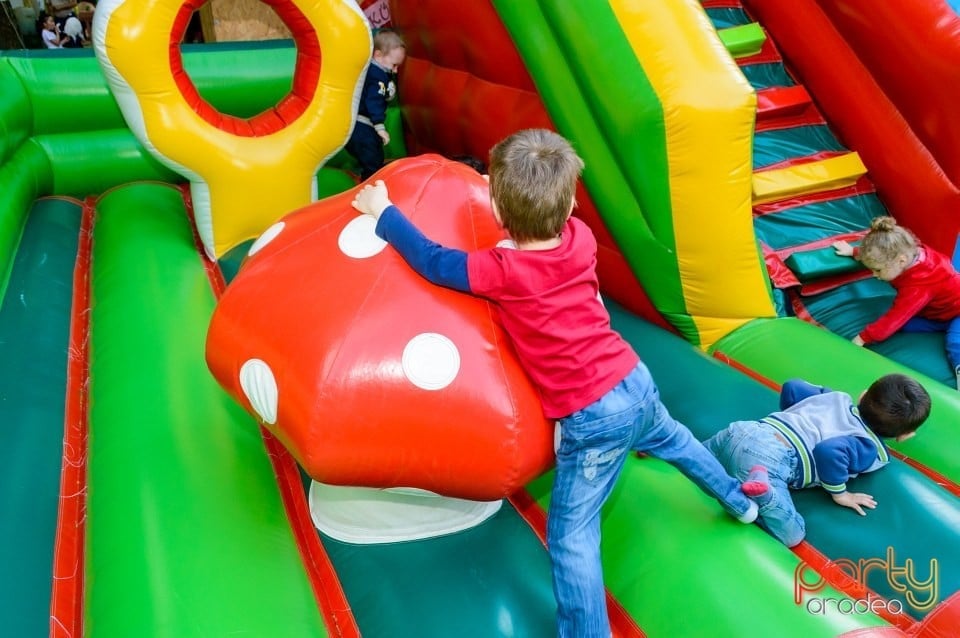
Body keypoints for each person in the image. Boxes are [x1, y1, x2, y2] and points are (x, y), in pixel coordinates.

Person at [352, 129, 761, 638]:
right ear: (569, 203)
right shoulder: (581, 237)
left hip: (593, 415)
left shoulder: (501, 269)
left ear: (498, 211)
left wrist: (384, 213)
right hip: (634, 379)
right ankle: (740, 502)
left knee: (571, 537)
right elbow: (541, 244)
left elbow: (434, 261)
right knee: (677, 441)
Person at [705, 374, 930, 548]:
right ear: (904, 435)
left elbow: (792, 386)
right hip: (770, 459)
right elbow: (829, 451)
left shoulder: (834, 398)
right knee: (792, 535)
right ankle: (764, 494)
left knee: (701, 458)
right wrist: (841, 494)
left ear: (863, 396)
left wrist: (796, 415)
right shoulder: (866, 446)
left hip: (744, 429)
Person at [834, 216, 960, 388]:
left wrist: (863, 337)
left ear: (901, 261)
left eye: (877, 270)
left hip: (957, 311)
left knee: (955, 342)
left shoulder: (919, 285)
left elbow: (896, 316)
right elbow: (881, 255)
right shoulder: (909, 253)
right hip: (937, 313)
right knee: (906, 326)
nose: (874, 275)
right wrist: (855, 252)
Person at [345, 29, 406, 181]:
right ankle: (369, 184)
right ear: (378, 55)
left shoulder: (370, 72)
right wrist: (380, 127)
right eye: (394, 65)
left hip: (356, 124)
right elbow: (373, 101)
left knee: (372, 155)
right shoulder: (378, 75)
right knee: (373, 158)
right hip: (363, 124)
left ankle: (365, 176)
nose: (395, 70)